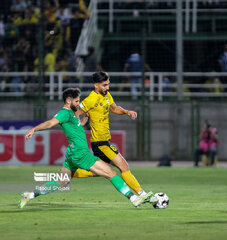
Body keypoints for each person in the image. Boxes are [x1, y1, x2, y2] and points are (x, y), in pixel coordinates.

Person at [19, 88, 152, 208]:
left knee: (62, 181)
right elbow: (50, 123)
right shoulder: (64, 113)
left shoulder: (71, 114)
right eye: (76, 101)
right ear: (68, 100)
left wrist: (84, 120)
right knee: (111, 173)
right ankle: (134, 198)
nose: (78, 104)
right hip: (80, 154)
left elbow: (76, 128)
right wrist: (34, 129)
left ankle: (30, 195)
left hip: (72, 154)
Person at [75, 72, 157, 205]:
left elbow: (114, 108)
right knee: (123, 166)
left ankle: (69, 174)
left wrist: (126, 112)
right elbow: (75, 115)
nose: (107, 87)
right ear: (96, 85)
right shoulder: (90, 100)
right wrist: (82, 123)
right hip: (100, 144)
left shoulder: (106, 95)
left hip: (104, 141)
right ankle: (142, 194)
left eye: (108, 84)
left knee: (99, 172)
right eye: (104, 85)